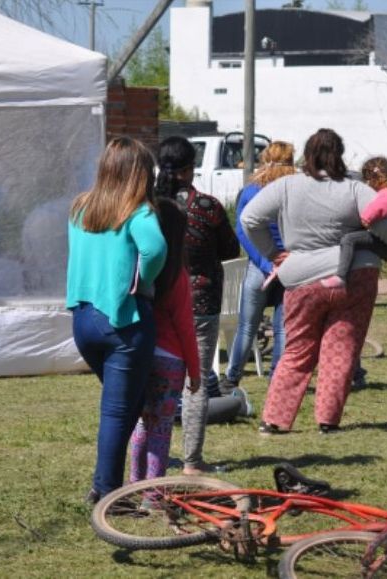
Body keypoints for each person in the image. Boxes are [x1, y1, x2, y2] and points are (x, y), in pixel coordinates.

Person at [241, 129, 387, 434]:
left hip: (301, 277)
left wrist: (273, 254)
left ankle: (275, 420)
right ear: (340, 154)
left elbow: (249, 218)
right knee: (341, 349)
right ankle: (328, 421)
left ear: (308, 154)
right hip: (356, 276)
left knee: (297, 349)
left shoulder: (287, 186)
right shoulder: (356, 189)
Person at [66, 137, 167, 503]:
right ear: (140, 174)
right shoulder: (137, 212)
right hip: (123, 318)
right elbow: (155, 249)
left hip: (83, 319)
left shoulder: (80, 208)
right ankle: (106, 490)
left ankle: (115, 479)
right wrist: (143, 281)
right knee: (117, 409)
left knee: (129, 402)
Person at [156, 136, 240, 475]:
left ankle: (152, 457)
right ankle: (192, 461)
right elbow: (230, 249)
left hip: (157, 302)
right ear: (191, 168)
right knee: (198, 380)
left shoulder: (147, 205)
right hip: (200, 303)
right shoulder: (206, 207)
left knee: (153, 381)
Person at [129, 199, 200, 483]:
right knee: (160, 431)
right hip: (170, 360)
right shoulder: (178, 277)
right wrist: (195, 372)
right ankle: (154, 495)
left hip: (142, 352)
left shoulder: (140, 270)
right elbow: (185, 328)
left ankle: (133, 485)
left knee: (141, 425)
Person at [220, 141, 295, 396]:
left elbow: (242, 230)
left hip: (259, 266)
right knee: (282, 328)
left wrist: (264, 263)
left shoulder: (252, 190)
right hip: (289, 266)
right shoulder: (295, 189)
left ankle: (231, 378)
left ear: (265, 159)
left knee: (246, 327)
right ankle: (278, 379)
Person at [321, 156, 387, 289]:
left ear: (372, 179)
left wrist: (366, 218)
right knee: (357, 240)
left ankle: (340, 276)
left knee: (349, 239)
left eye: (366, 181)